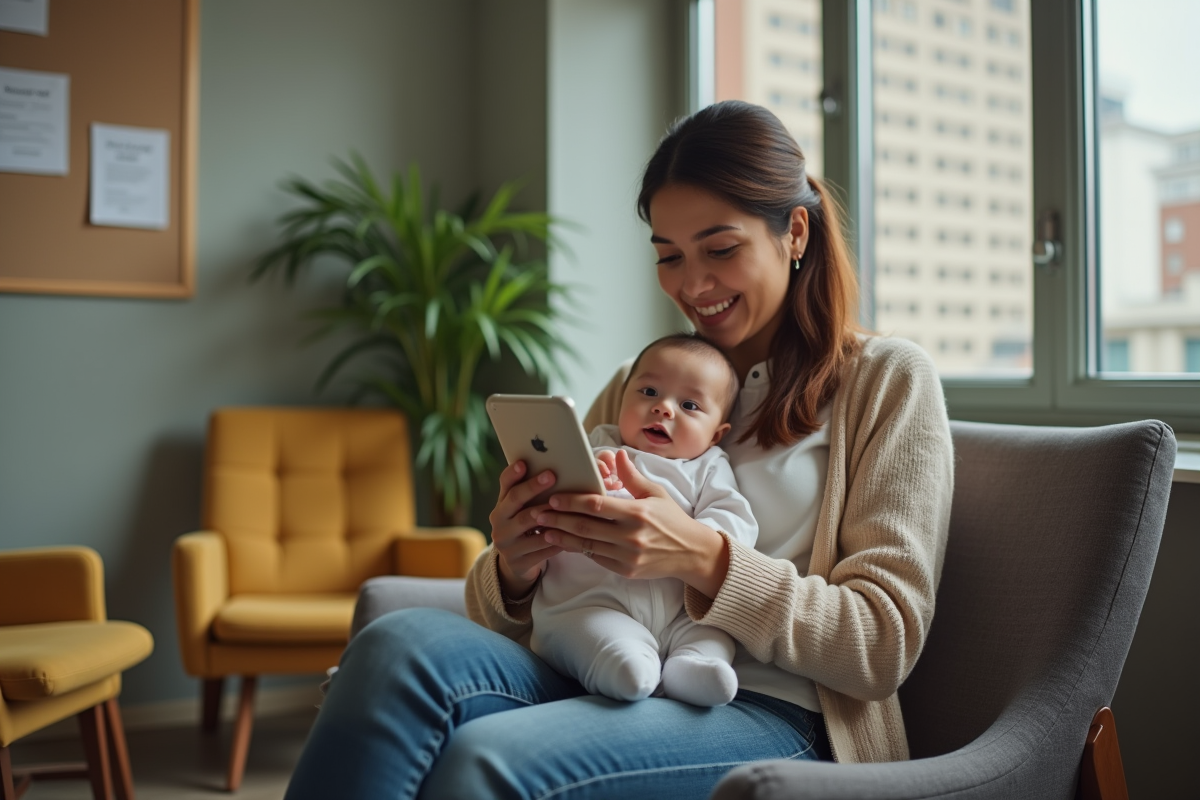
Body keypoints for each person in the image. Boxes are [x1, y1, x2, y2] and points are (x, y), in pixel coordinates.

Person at [283, 100, 954, 800]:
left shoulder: (886, 381)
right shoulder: (641, 385)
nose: (692, 286)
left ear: (795, 231)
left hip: (769, 709)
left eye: (720, 250)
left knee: (490, 758)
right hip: (600, 661)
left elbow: (882, 643)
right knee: (393, 647)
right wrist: (514, 563)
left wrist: (701, 555)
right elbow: (503, 608)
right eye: (669, 257)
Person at [532, 332, 757, 708]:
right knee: (591, 633)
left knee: (713, 633)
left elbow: (735, 523)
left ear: (716, 433)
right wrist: (594, 486)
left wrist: (693, 538)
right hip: (593, 603)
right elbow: (555, 506)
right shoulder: (598, 447)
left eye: (688, 405)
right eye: (649, 393)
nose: (664, 408)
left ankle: (694, 667)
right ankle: (623, 665)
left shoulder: (708, 468)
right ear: (622, 400)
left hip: (680, 613)